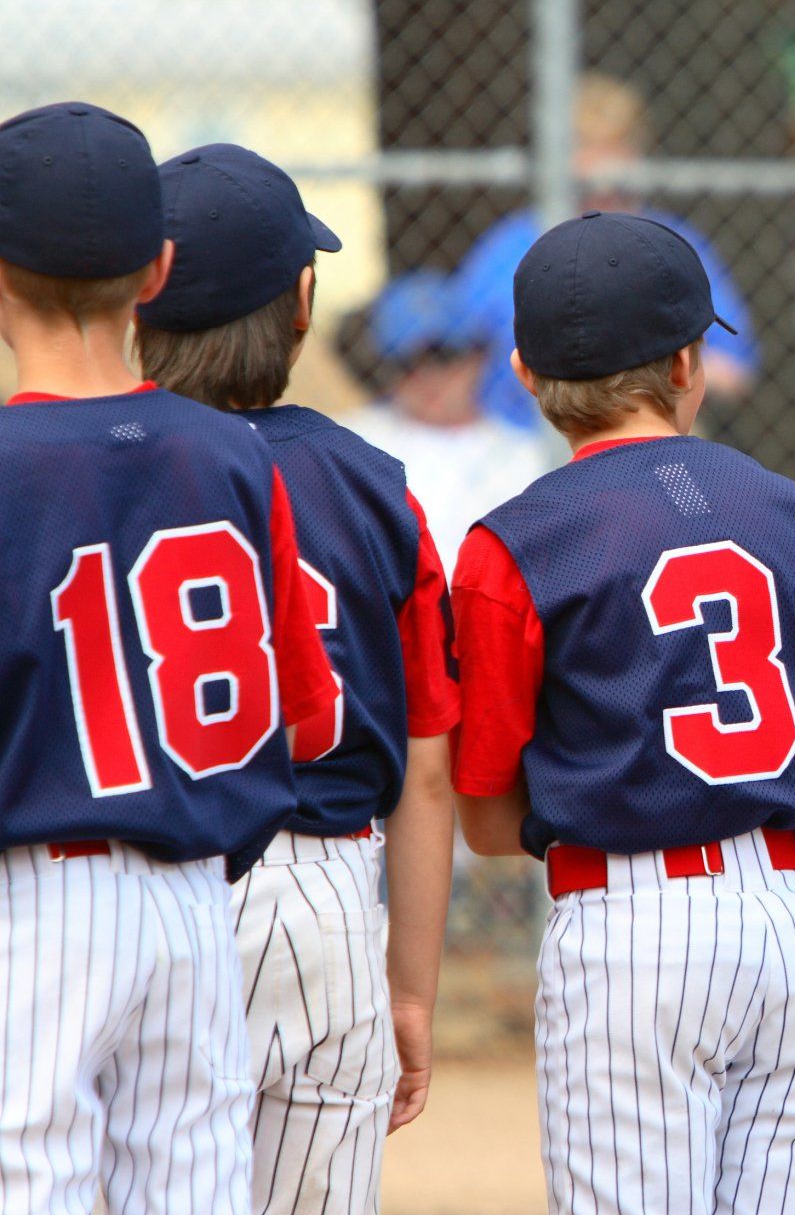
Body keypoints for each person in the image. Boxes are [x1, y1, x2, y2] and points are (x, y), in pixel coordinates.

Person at [450, 212, 795, 1213]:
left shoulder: (514, 543)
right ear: (689, 363)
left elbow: (489, 815)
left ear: (527, 376)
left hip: (630, 925)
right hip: (794, 917)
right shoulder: (793, 510)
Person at [0, 102, 337, 1215]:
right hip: (196, 897)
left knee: (32, 1170)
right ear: (159, 268)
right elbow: (309, 715)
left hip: (39, 897)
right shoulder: (236, 455)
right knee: (193, 1177)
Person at [134, 144, 462, 1214]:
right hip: (320, 892)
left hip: (140, 877)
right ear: (304, 304)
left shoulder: (95, 460)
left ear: (141, 298)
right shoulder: (373, 486)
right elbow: (424, 763)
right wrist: (408, 982)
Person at [455, 73, 760, 428]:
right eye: (585, 144)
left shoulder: (671, 243)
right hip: (522, 444)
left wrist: (639, 361)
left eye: (616, 145)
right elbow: (454, 365)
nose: (602, 172)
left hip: (645, 434)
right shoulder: (509, 247)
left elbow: (734, 371)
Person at [341, 271, 556, 546]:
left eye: (442, 356)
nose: (426, 376)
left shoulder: (524, 456)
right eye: (407, 363)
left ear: (478, 355)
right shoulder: (349, 442)